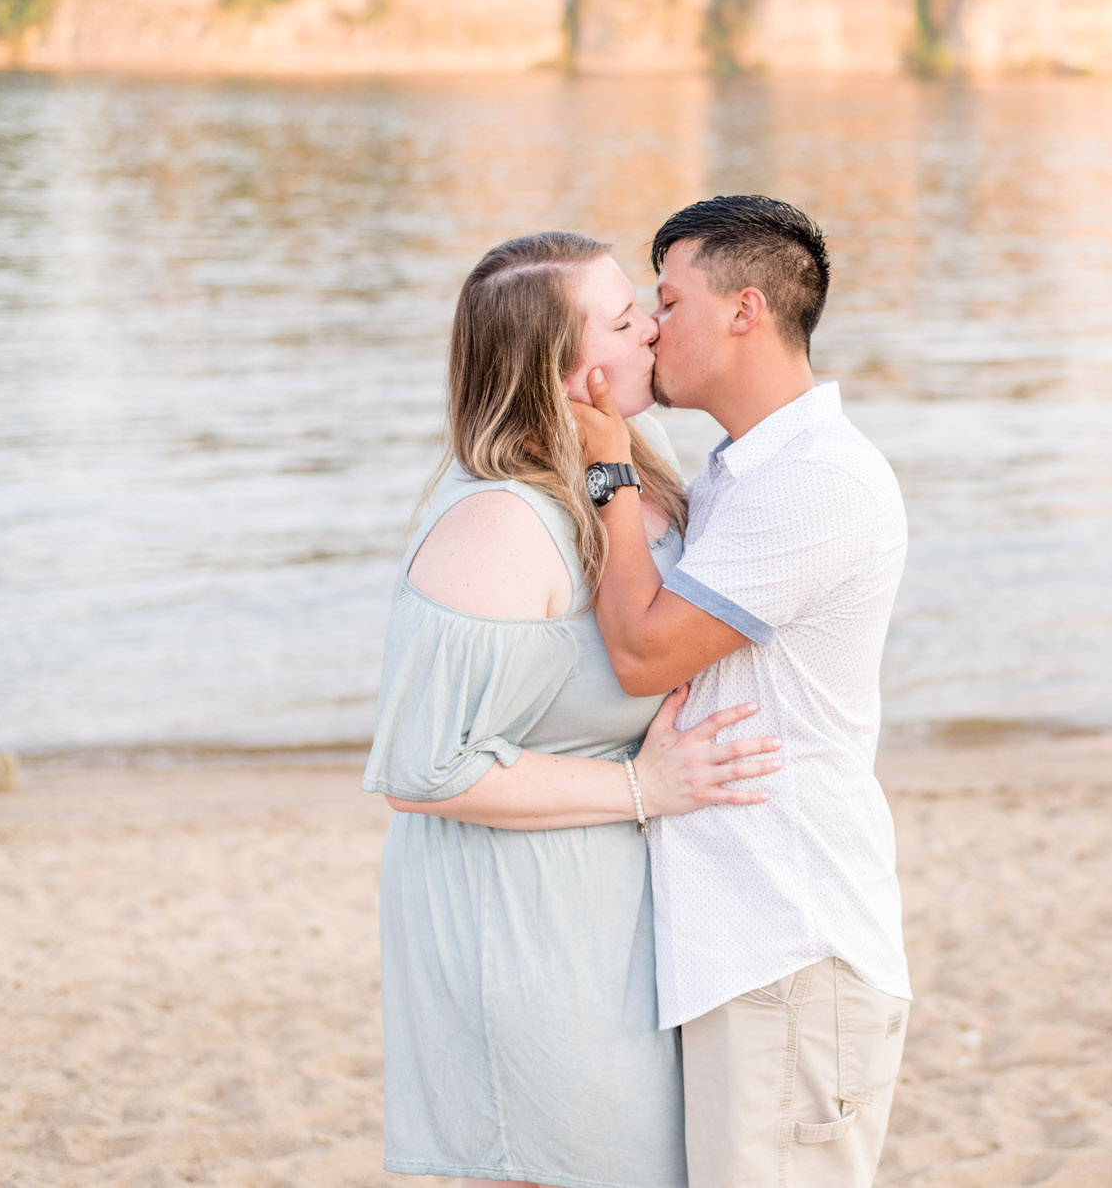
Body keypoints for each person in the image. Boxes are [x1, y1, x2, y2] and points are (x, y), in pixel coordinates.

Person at [359, 230, 780, 1188]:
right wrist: (643, 784)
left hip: (614, 910)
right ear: (573, 371)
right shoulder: (500, 525)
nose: (658, 328)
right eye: (632, 319)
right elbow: (426, 770)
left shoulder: (631, 454)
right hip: (518, 921)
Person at [572, 196, 912, 1188]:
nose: (647, 324)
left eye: (666, 299)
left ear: (743, 310)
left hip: (788, 949)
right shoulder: (741, 471)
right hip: (741, 947)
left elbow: (643, 653)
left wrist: (607, 469)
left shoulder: (814, 483)